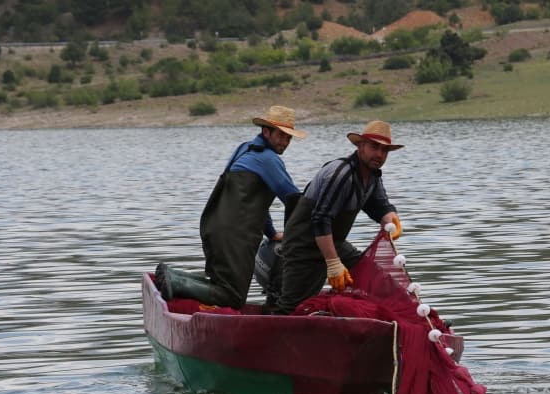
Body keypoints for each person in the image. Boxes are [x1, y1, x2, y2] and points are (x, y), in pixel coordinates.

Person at [155, 105, 306, 310]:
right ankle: (175, 282)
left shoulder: (245, 148)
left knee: (223, 286)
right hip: (234, 235)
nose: (285, 142)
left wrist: (270, 233)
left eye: (289, 137)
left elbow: (255, 202)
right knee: (233, 297)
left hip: (214, 226)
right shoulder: (268, 159)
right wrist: (296, 236)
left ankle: (174, 276)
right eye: (281, 135)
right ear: (266, 131)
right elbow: (293, 198)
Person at [275, 120, 403, 315]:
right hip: (304, 244)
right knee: (292, 308)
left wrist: (390, 217)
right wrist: (333, 263)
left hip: (334, 242)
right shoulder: (341, 174)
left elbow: (379, 205)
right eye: (374, 147)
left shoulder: (373, 175)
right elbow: (320, 219)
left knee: (373, 277)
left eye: (384, 150)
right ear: (360, 146)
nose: (379, 154)